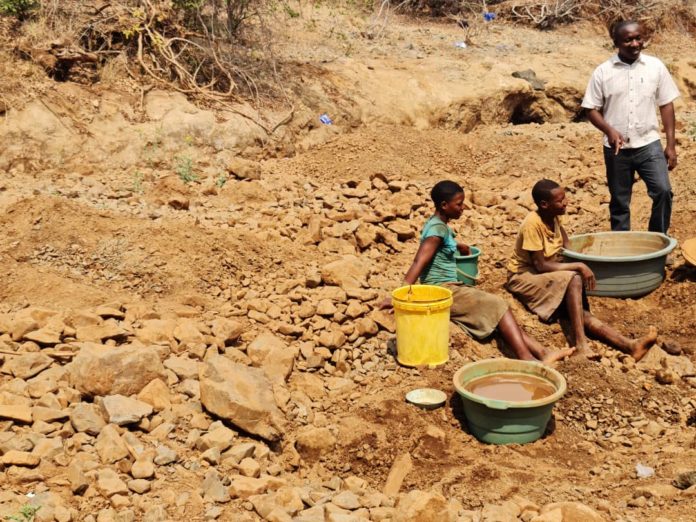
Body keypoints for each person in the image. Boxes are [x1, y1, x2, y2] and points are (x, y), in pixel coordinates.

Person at [384, 180, 574, 365]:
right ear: (444, 205)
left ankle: (543, 352)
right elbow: (419, 260)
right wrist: (401, 296)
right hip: (442, 290)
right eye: (458, 204)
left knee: (498, 314)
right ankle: (528, 359)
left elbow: (439, 244)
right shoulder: (436, 231)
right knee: (499, 304)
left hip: (448, 287)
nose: (463, 208)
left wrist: (458, 245)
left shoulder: (438, 225)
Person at [506, 179, 657, 361]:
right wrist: (578, 266)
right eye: (560, 201)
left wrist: (591, 260)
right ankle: (580, 345)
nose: (566, 203)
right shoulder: (532, 224)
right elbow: (540, 265)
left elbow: (567, 246)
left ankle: (628, 345)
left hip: (543, 274)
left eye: (564, 198)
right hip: (524, 276)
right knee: (574, 278)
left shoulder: (553, 216)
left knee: (579, 312)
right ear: (544, 205)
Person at [581, 20, 680, 234]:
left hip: (649, 144)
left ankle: (657, 241)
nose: (635, 44)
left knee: (663, 191)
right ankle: (622, 251)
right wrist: (609, 131)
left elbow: (666, 104)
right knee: (619, 202)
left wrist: (670, 145)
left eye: (638, 38)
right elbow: (590, 108)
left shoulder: (656, 66)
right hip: (617, 150)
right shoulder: (603, 72)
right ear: (615, 42)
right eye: (628, 40)